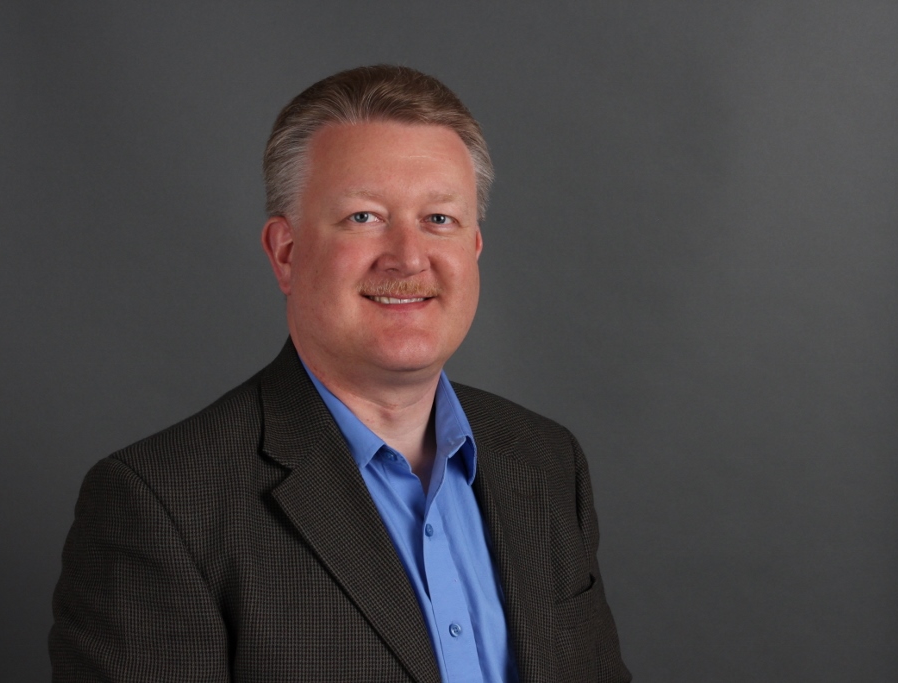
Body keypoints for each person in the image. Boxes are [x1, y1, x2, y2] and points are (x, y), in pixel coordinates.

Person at [50, 65, 630, 683]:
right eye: (364, 217)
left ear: (474, 249)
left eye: (439, 219)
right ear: (287, 253)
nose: (408, 256)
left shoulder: (546, 463)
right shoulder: (161, 506)